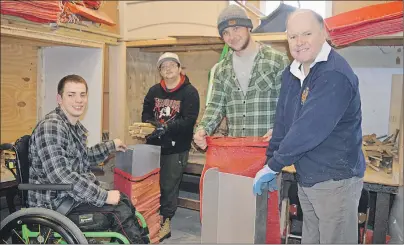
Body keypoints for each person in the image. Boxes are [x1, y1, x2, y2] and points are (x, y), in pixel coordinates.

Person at [253, 9, 366, 244]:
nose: (299, 42)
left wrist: (274, 166)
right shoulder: (292, 72)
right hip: (308, 177)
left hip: (335, 181)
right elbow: (283, 123)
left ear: (323, 32)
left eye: (306, 34)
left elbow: (308, 130)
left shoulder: (333, 74)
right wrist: (270, 160)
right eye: (293, 36)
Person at [28, 74, 146, 244]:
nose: (78, 100)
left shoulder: (70, 126)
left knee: (123, 200)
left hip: (69, 197)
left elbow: (84, 157)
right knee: (118, 213)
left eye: (82, 95)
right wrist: (103, 196)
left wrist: (111, 145)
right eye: (71, 95)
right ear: (59, 99)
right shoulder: (51, 127)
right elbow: (61, 176)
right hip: (55, 204)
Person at [193, 4, 290, 149]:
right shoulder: (221, 69)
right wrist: (203, 129)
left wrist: (280, 129)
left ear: (249, 27)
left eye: (236, 28)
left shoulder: (277, 61)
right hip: (237, 152)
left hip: (269, 152)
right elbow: (216, 105)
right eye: (225, 32)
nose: (232, 36)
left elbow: (288, 104)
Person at [141, 52, 200, 242]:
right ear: (160, 71)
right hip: (154, 147)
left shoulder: (190, 93)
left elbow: (188, 121)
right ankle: (151, 220)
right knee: (151, 186)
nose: (167, 69)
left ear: (179, 68)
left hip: (176, 149)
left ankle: (165, 223)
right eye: (163, 67)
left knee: (168, 187)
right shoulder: (153, 91)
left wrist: (166, 127)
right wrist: (152, 126)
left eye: (171, 66)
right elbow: (145, 115)